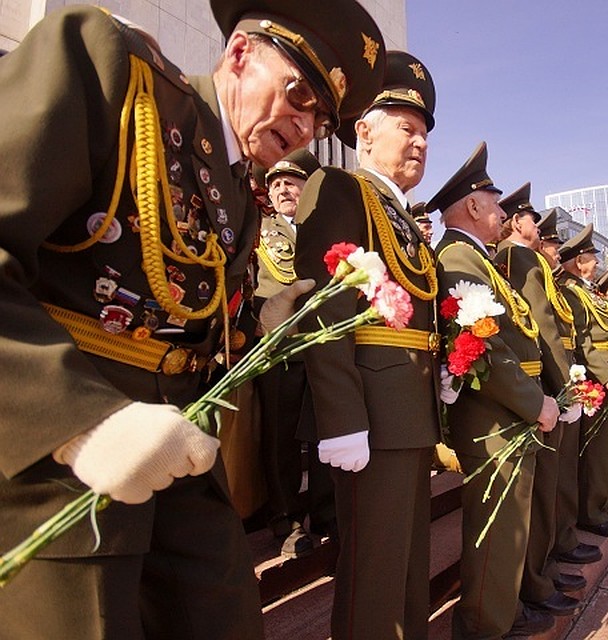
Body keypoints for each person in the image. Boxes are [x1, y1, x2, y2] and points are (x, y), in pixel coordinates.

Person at [0, 1, 385, 638]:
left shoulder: (240, 185)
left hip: (178, 453)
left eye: (320, 115)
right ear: (239, 53)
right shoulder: (114, 70)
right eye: (298, 93)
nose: (306, 123)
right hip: (60, 459)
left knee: (225, 612)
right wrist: (80, 421)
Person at [291, 51, 440, 639]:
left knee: (406, 566)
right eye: (407, 126)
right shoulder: (338, 188)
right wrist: (342, 419)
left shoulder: (401, 215)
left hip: (410, 413)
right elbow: (320, 306)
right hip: (371, 417)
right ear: (363, 129)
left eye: (425, 132)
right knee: (372, 576)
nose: (420, 142)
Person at [429, 142, 560, 639]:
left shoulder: (478, 258)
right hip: (492, 414)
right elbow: (484, 346)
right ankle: (484, 623)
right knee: (498, 526)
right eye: (496, 202)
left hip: (506, 409)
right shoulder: (459, 256)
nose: (503, 213)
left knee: (511, 523)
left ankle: (502, 610)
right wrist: (535, 402)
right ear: (474, 205)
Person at [494, 184, 582, 617]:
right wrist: (565, 387)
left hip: (542, 380)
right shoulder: (520, 258)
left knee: (546, 488)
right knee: (540, 491)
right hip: (540, 383)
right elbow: (542, 325)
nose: (538, 226)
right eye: (532, 219)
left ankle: (542, 570)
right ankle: (535, 578)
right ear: (516, 223)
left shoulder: (522, 259)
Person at [254, 150, 335, 558]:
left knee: (323, 434)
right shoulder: (260, 229)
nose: (284, 188)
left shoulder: (321, 230)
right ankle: (285, 521)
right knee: (281, 439)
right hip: (281, 349)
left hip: (322, 347)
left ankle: (324, 516)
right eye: (276, 184)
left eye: (292, 182)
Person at [536, 209, 604, 573]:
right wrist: (567, 385)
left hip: (566, 377)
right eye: (553, 245)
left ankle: (563, 537)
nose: (555, 252)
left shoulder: (557, 285)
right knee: (555, 473)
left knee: (563, 469)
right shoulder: (549, 282)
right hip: (551, 381)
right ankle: (557, 543)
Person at [557, 224, 608, 538]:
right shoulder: (572, 293)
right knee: (595, 451)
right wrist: (607, 375)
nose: (597, 262)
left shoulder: (589, 292)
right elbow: (583, 341)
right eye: (591, 256)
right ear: (577, 260)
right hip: (596, 379)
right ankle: (592, 512)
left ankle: (604, 502)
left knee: (606, 447)